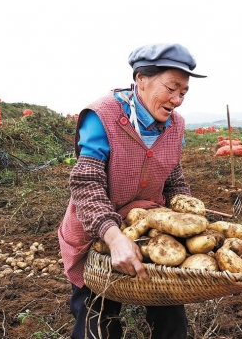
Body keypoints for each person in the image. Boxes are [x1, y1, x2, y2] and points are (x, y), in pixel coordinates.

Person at [57, 43, 206, 339]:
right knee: (96, 321)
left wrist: (190, 219)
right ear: (141, 79)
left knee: (171, 322)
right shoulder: (103, 116)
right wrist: (113, 238)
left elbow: (173, 177)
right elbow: (86, 183)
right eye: (172, 88)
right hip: (97, 236)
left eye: (184, 93)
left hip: (152, 236)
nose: (177, 100)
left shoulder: (175, 126)